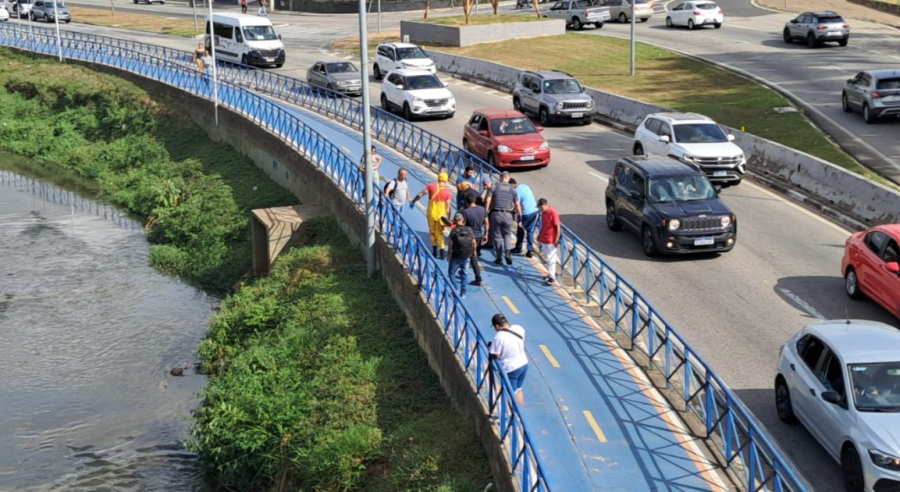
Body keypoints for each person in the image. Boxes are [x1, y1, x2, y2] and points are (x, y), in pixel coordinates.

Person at [411, 172, 453, 259]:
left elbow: (420, 194)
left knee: (432, 232)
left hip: (431, 214)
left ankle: (434, 251)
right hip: (441, 216)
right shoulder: (447, 193)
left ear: (438, 178)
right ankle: (442, 253)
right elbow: (448, 207)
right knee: (440, 233)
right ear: (446, 180)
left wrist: (413, 201)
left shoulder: (431, 186)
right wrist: (449, 218)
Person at [489, 313, 528, 406]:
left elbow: (496, 354)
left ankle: (511, 417)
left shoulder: (499, 337)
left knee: (509, 394)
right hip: (524, 363)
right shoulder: (518, 328)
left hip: (511, 368)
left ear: (497, 326)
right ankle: (518, 417)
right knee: (519, 390)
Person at [484, 171, 521, 266]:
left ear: (500, 178)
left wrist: (486, 211)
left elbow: (488, 199)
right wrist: (519, 216)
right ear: (508, 178)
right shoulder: (512, 189)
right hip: (508, 215)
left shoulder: (494, 187)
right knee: (507, 234)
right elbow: (517, 204)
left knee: (497, 236)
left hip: (496, 214)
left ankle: (499, 257)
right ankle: (508, 252)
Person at [447, 213, 477, 299]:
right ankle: (463, 292)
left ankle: (455, 289)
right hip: (467, 255)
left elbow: (450, 244)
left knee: (451, 273)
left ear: (455, 221)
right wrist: (474, 252)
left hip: (456, 255)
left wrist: (449, 254)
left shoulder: (454, 231)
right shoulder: (469, 229)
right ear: (462, 220)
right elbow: (474, 242)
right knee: (464, 274)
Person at [463, 194, 488, 285]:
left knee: (472, 255)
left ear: (466, 201)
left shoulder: (466, 212)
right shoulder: (482, 209)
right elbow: (486, 222)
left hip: (469, 237)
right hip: (478, 236)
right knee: (471, 254)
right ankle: (465, 271)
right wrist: (486, 234)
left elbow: (463, 225)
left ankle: (478, 278)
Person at [510, 178, 539, 258]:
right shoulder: (524, 186)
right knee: (530, 231)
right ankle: (530, 250)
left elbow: (517, 204)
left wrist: (518, 216)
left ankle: (518, 247)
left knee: (520, 230)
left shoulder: (516, 192)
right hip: (535, 211)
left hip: (525, 213)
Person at [537, 198, 561, 286]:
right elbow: (543, 225)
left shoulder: (553, 212)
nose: (540, 208)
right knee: (547, 257)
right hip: (544, 238)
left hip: (551, 240)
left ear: (544, 205)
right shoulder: (543, 213)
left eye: (540, 207)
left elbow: (557, 226)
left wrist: (557, 239)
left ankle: (552, 277)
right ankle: (551, 273)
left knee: (551, 259)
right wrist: (540, 235)